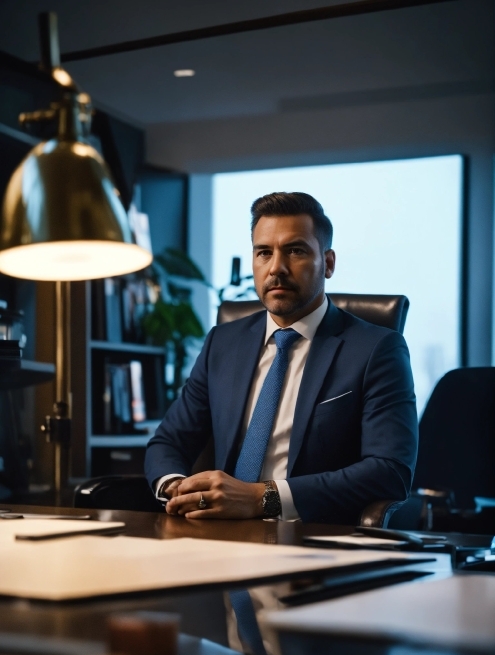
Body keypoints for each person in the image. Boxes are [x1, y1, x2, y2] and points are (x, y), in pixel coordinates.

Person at [145, 191, 418, 526]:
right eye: (264, 253)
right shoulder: (223, 343)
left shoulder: (377, 349)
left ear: (328, 263)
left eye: (296, 250)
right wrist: (178, 489)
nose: (276, 267)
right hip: (216, 534)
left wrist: (263, 498)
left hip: (312, 542)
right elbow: (169, 441)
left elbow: (389, 470)